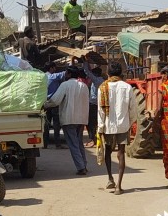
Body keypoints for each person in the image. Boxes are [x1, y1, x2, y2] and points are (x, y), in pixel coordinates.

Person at [99, 63, 138, 194]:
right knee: (121, 154)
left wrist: (100, 127)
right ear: (120, 73)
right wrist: (129, 122)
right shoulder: (127, 87)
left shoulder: (102, 88)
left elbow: (101, 111)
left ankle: (110, 179)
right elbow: (133, 109)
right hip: (123, 125)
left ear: (108, 74)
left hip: (108, 125)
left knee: (108, 151)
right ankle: (119, 187)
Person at [46, 67, 91, 175]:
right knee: (79, 143)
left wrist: (45, 104)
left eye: (66, 73)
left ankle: (81, 167)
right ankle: (83, 164)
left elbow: (55, 100)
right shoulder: (84, 86)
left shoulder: (65, 85)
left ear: (69, 74)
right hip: (81, 119)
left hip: (69, 118)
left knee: (73, 144)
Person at [44, 62, 66, 148]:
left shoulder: (43, 77)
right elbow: (65, 73)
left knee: (46, 124)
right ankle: (58, 144)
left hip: (45, 103)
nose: (55, 69)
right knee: (56, 124)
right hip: (54, 103)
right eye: (54, 68)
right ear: (51, 68)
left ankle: (44, 144)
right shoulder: (53, 76)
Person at [86, 65, 104, 147]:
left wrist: (85, 62)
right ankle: (97, 139)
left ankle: (92, 139)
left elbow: (87, 72)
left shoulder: (96, 80)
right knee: (98, 122)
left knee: (91, 123)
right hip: (100, 104)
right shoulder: (103, 80)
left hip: (94, 104)